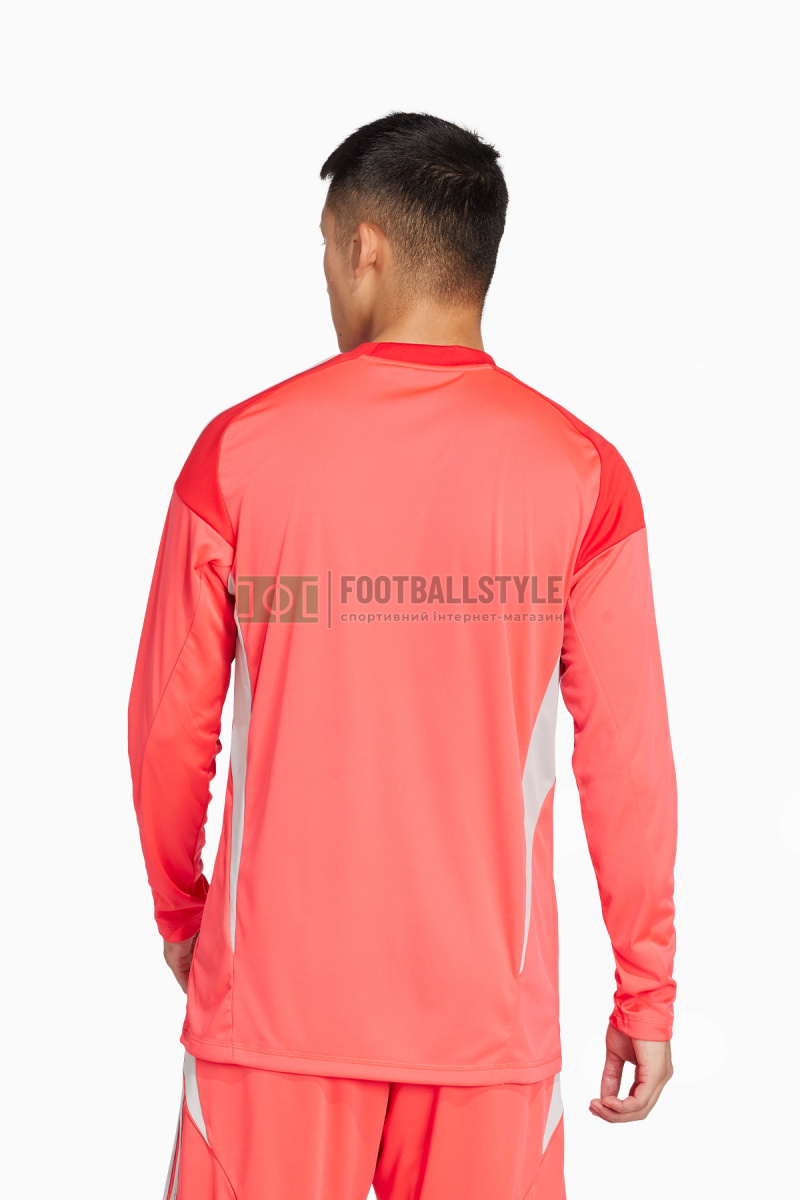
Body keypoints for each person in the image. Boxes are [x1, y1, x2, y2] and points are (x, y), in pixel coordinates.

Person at [128, 111, 677, 1200]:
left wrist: (186, 913)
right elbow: (629, 758)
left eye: (325, 249)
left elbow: (166, 729)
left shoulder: (237, 454)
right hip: (485, 1032)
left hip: (273, 1017)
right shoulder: (581, 473)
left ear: (363, 246)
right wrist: (645, 991)